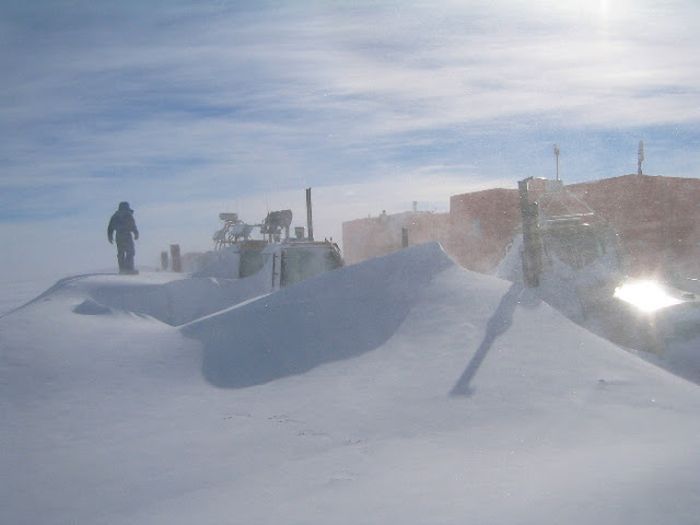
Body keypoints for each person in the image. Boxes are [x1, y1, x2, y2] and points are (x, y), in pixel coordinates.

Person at [108, 201, 139, 274]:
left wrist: (110, 236)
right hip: (127, 235)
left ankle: (122, 269)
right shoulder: (128, 214)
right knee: (130, 251)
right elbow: (132, 225)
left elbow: (110, 228)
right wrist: (136, 233)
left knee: (121, 252)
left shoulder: (114, 216)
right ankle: (129, 269)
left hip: (118, 236)